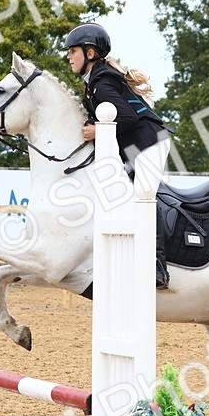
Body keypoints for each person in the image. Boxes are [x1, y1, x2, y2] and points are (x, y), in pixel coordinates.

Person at [64, 23, 172, 289]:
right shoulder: (94, 83)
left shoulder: (101, 82)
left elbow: (126, 117)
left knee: (144, 194)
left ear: (89, 53)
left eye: (73, 51)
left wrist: (96, 131)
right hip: (132, 146)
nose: (68, 56)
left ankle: (158, 266)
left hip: (149, 142)